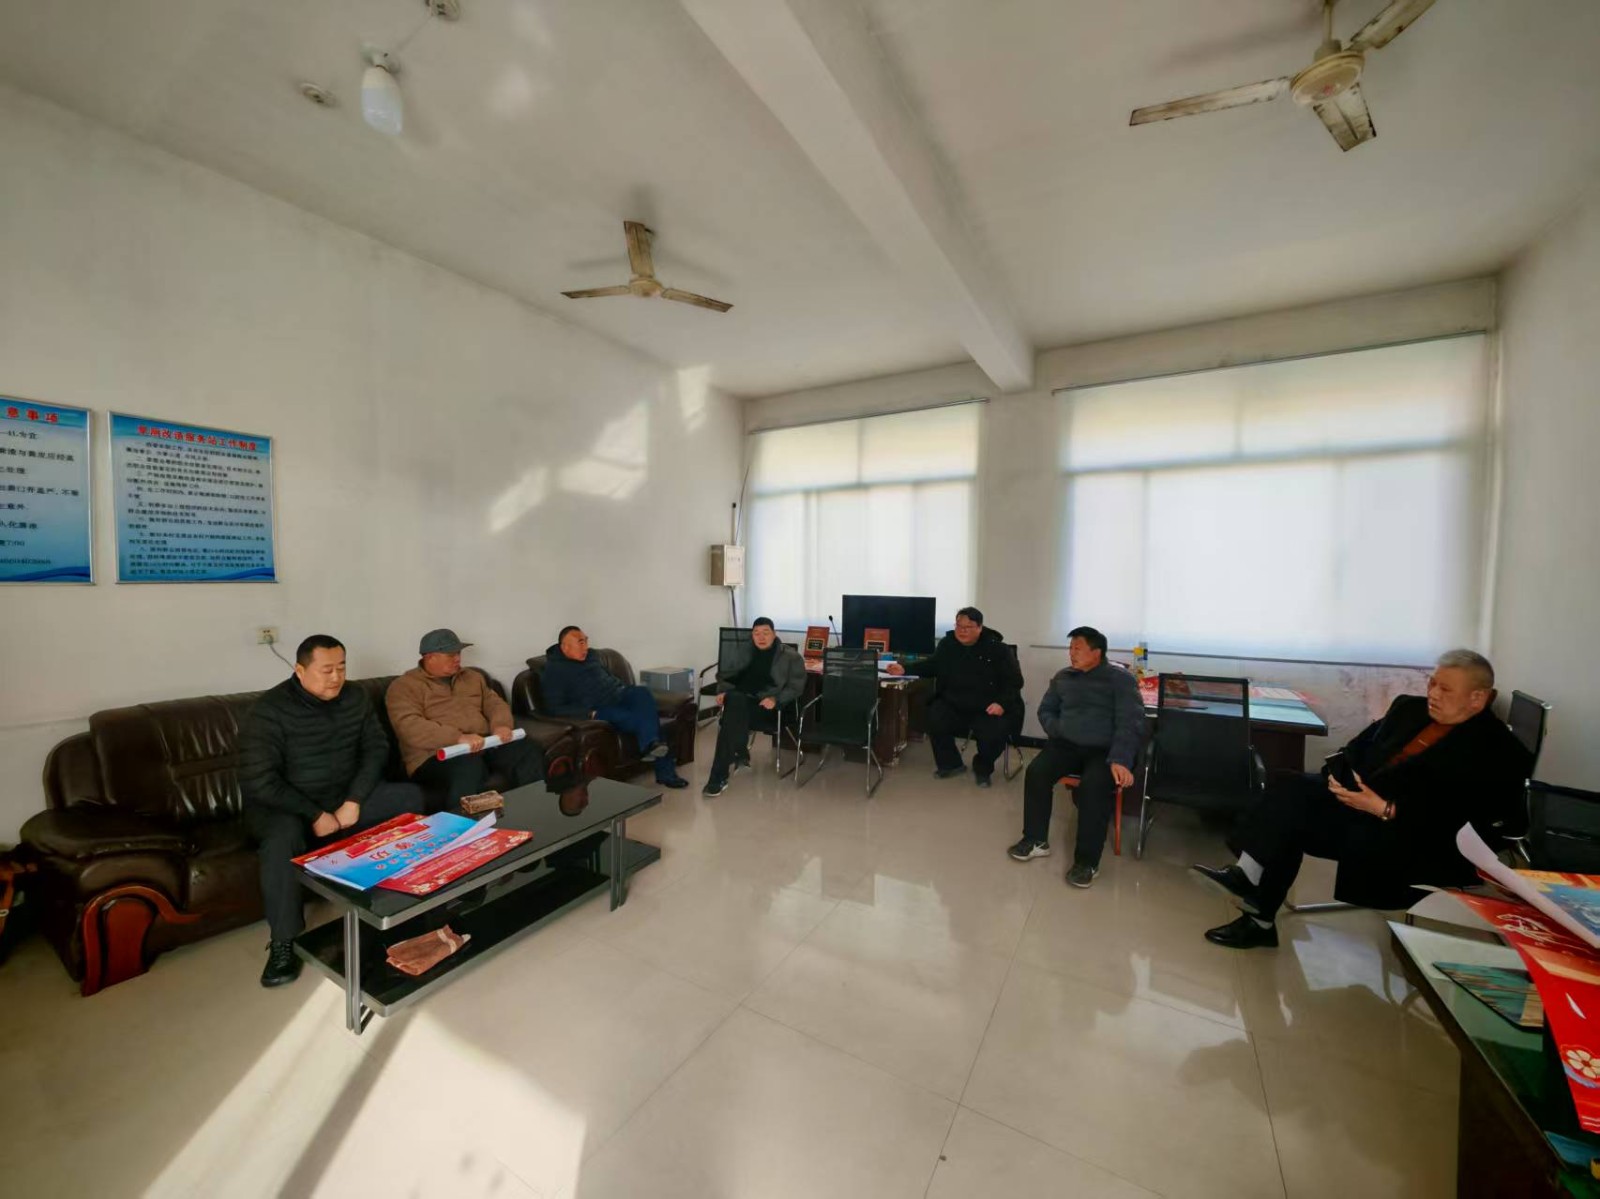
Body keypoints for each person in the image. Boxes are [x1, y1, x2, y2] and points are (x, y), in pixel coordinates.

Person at [1193, 648, 1533, 949]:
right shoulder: (1408, 709)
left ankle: (1257, 912)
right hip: (1358, 803)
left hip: (1408, 836)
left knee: (1290, 820)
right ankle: (1249, 886)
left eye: (1445, 689)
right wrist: (1341, 778)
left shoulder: (1500, 753)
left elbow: (1474, 825)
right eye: (1432, 683)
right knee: (1287, 786)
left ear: (1477, 698)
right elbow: (1358, 746)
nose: (1432, 693)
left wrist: (1386, 809)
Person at [241, 634, 426, 988]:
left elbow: (376, 747)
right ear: (300, 670)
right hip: (285, 806)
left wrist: (354, 800)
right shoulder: (268, 711)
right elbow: (261, 781)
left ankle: (399, 903)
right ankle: (283, 941)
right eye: (326, 670)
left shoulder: (355, 696)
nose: (336, 677)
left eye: (341, 667)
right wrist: (315, 814)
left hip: (343, 799)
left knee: (408, 799)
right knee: (281, 840)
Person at [1009, 626, 1144, 888]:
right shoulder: (1064, 677)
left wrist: (1120, 759)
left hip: (1104, 751)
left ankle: (1087, 862)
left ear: (1097, 652)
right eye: (1070, 648)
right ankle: (1035, 840)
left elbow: (1131, 722)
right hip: (1067, 745)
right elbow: (1046, 710)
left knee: (1093, 787)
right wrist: (1058, 730)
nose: (1072, 653)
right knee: (1037, 773)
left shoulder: (1120, 679)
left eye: (1078, 649)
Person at [386, 628, 545, 811]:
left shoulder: (472, 677)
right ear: (430, 657)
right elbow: (409, 727)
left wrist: (501, 725)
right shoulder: (404, 687)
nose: (458, 659)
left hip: (483, 743)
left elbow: (494, 704)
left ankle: (533, 810)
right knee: (468, 767)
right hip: (435, 755)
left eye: (458, 653)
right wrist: (458, 738)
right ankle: (464, 825)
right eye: (450, 655)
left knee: (526, 749)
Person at [885, 606, 1022, 787]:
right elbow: (932, 665)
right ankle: (951, 764)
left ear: (980, 628)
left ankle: (982, 768)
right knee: (934, 716)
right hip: (954, 702)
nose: (962, 631)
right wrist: (904, 669)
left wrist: (1001, 703)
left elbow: (1015, 682)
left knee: (995, 733)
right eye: (959, 626)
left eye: (968, 627)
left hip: (988, 706)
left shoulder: (998, 649)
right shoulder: (948, 644)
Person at [541, 625, 689, 789]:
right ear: (565, 647)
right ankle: (664, 770)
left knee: (642, 692)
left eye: (586, 641)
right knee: (646, 719)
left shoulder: (591, 656)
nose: (586, 647)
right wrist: (589, 713)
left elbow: (607, 677)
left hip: (620, 694)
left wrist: (622, 688)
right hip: (599, 708)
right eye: (580, 643)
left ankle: (650, 746)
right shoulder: (554, 670)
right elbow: (554, 708)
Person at [703, 617, 808, 797]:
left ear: (774, 634)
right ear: (752, 636)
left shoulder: (790, 657)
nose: (761, 637)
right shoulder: (744, 652)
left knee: (730, 719)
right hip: (743, 703)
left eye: (765, 633)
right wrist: (723, 690)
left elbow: (796, 687)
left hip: (770, 708)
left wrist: (776, 699)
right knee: (734, 701)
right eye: (756, 633)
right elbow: (726, 674)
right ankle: (721, 773)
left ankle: (735, 758)